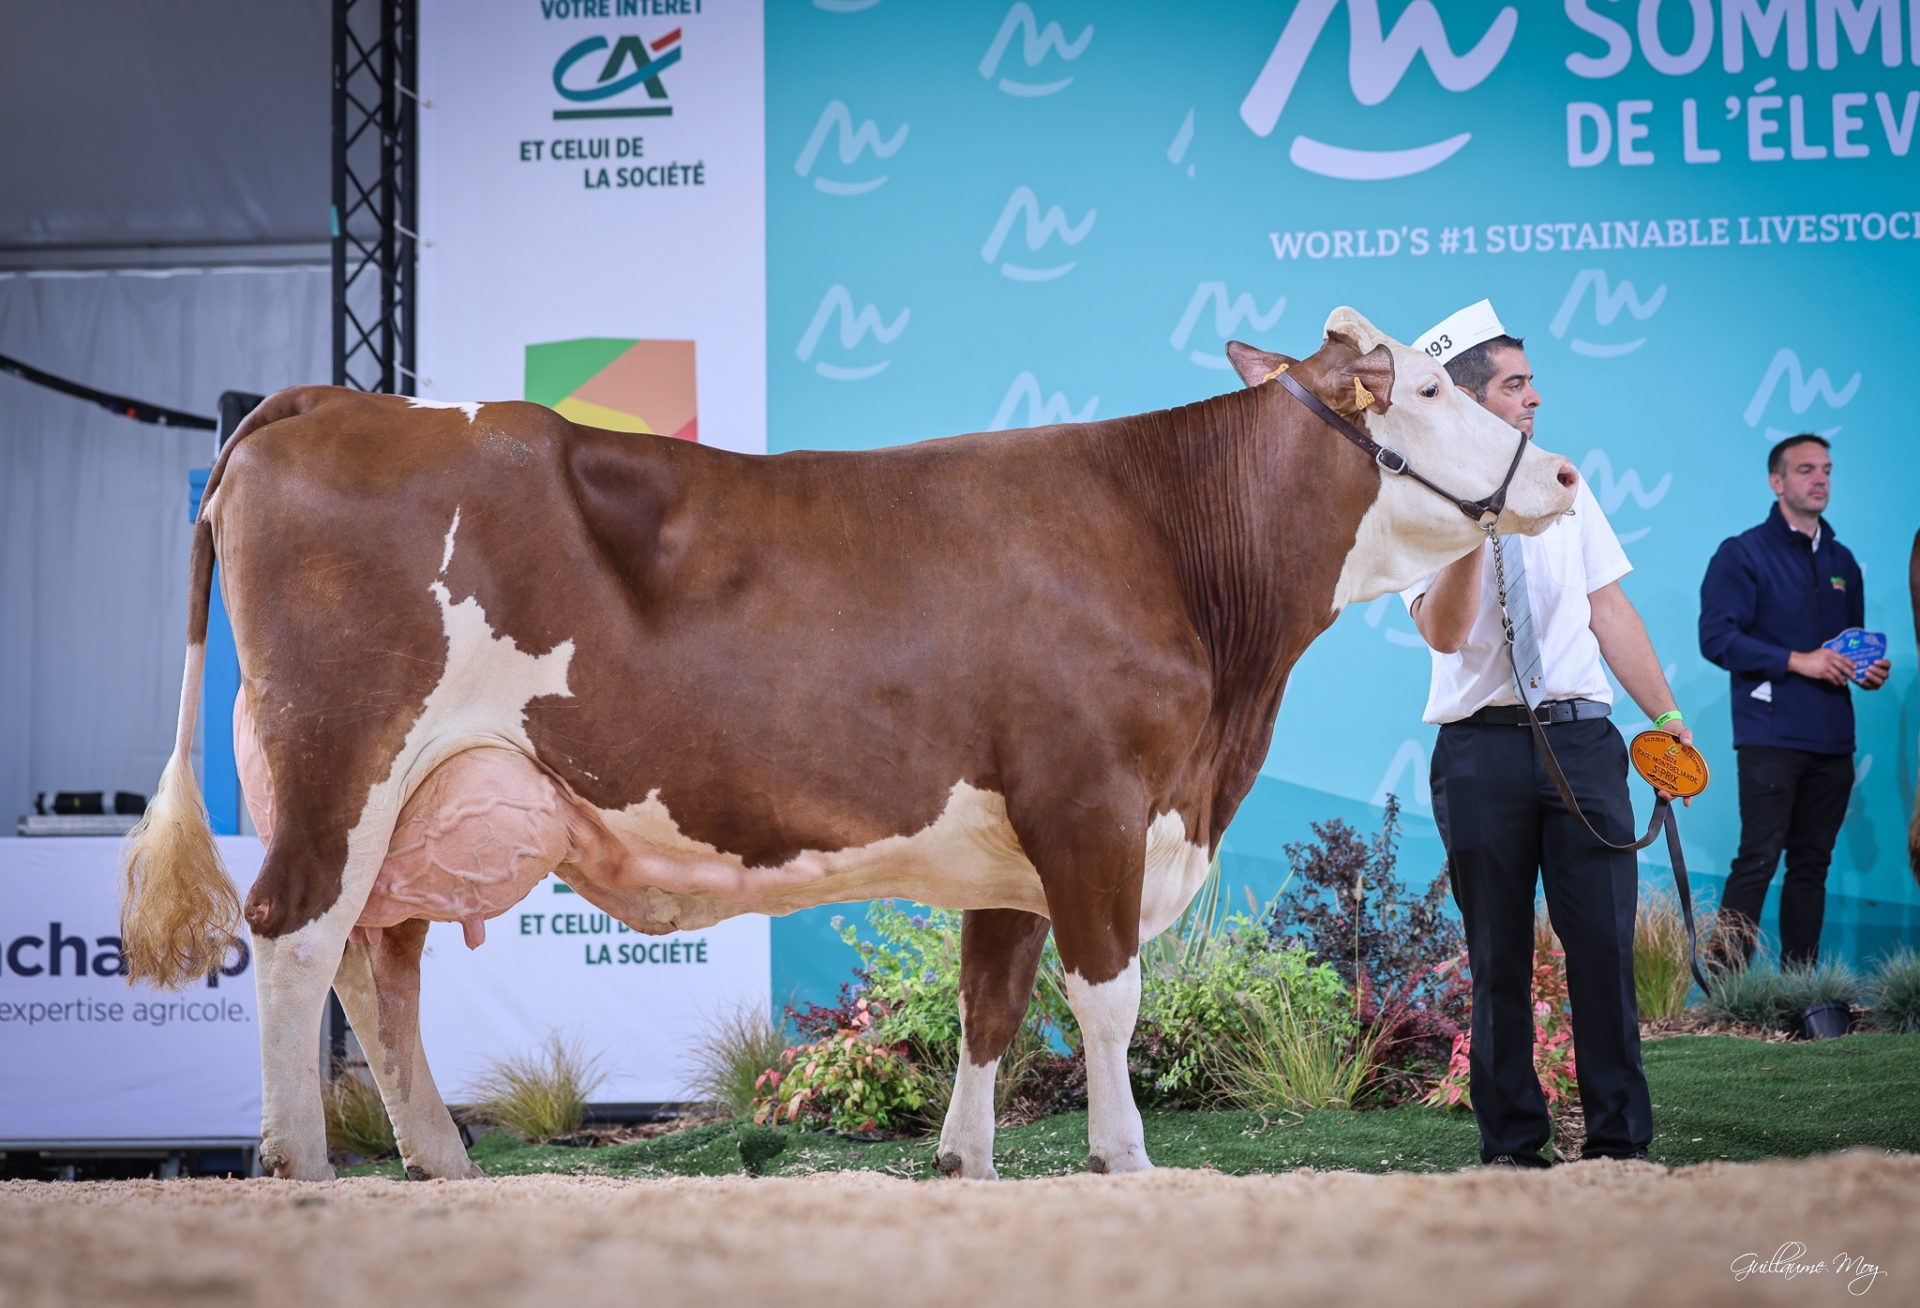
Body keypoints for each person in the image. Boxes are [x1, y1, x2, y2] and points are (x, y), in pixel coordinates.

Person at [1403, 300, 1691, 1168]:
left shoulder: (1567, 482)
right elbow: (1445, 635)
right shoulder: (1417, 501)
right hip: (1480, 751)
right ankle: (1512, 1153)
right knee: (1497, 959)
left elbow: (1609, 607)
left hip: (1583, 741)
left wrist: (1669, 722)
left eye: (1531, 382)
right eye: (1517, 384)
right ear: (1468, 398)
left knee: (1602, 950)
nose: (1535, 398)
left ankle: (1620, 1148)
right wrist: (1473, 524)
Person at [1698, 435, 1891, 968]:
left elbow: (1849, 646)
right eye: (1806, 469)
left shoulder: (1843, 561)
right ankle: (1724, 986)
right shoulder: (1742, 554)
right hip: (1770, 735)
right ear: (1777, 482)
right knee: (1758, 858)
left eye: (1827, 469)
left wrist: (1866, 673)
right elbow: (1716, 639)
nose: (1820, 479)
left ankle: (1800, 991)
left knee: (1813, 864)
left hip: (1833, 738)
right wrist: (1797, 660)